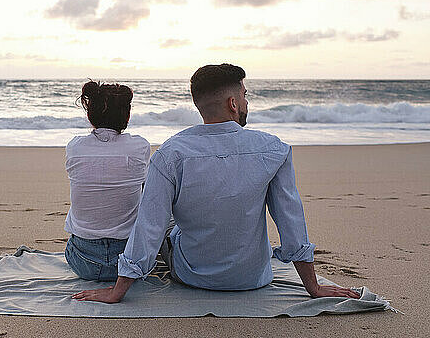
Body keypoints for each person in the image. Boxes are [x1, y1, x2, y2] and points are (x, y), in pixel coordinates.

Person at [72, 64, 360, 302]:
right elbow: (291, 222)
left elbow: (149, 225)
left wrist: (117, 291)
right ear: (233, 103)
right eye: (245, 96)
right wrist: (313, 287)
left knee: (167, 218)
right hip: (253, 278)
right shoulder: (275, 149)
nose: (247, 102)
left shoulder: (171, 153)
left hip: (192, 275)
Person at [64, 80, 151, 281]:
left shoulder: (75, 146)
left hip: (82, 262)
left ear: (90, 115)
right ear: (126, 116)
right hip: (129, 263)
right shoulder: (139, 146)